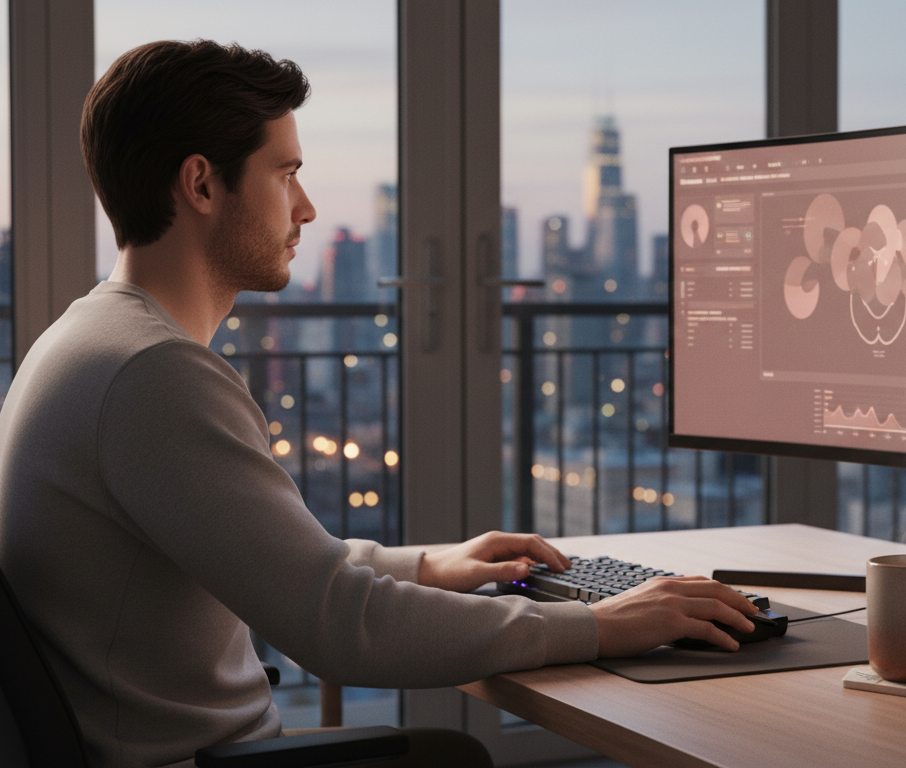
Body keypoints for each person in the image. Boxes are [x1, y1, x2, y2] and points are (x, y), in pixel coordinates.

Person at [0, 39, 758, 768]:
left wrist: (430, 565)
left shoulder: (91, 339)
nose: (306, 208)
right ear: (201, 185)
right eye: (285, 174)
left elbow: (286, 568)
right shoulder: (155, 375)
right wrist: (598, 623)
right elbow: (340, 625)